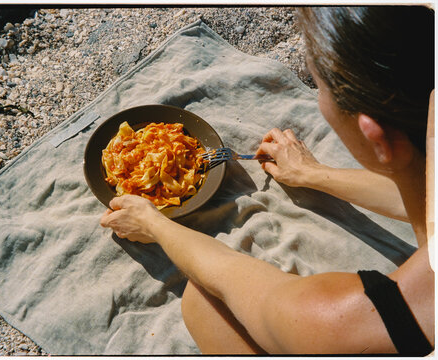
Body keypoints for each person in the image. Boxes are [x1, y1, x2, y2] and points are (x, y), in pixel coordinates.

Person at [100, 6, 435, 355]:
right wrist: (312, 174)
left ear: (376, 137)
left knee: (204, 302)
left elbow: (231, 279)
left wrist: (152, 223)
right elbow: (422, 192)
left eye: (316, 86)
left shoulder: (382, 316)